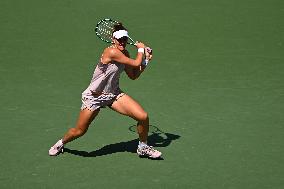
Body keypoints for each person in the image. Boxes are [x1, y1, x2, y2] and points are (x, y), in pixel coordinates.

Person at [49, 23, 162, 159]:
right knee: (79, 131)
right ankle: (61, 143)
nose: (122, 42)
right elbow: (135, 63)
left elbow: (133, 75)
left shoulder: (125, 54)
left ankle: (143, 147)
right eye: (119, 39)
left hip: (113, 95)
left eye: (124, 39)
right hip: (94, 97)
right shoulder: (111, 52)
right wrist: (141, 50)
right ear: (113, 39)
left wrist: (146, 61)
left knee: (143, 117)